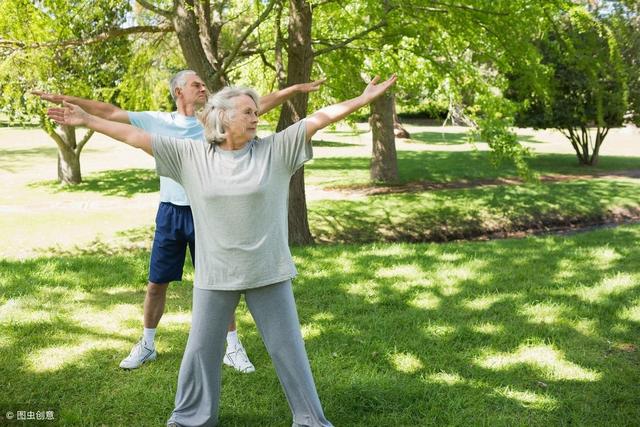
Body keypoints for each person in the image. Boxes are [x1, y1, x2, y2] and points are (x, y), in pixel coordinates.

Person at [47, 73, 397, 427]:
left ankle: (309, 420)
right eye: (247, 111)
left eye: (256, 111)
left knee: (288, 350)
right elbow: (136, 136)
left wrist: (362, 99)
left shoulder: (275, 150)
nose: (256, 117)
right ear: (224, 117)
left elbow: (319, 118)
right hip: (216, 274)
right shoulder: (191, 155)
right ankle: (191, 418)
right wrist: (88, 119)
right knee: (201, 351)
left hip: (268, 270)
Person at [33, 71, 324, 372]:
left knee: (221, 283)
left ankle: (233, 347)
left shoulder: (216, 117)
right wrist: (69, 102)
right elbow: (109, 113)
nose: (202, 87)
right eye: (195, 84)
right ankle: (147, 344)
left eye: (202, 83)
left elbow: (261, 102)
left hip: (210, 215)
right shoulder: (157, 122)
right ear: (177, 92)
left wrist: (296, 88)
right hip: (171, 212)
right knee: (156, 283)